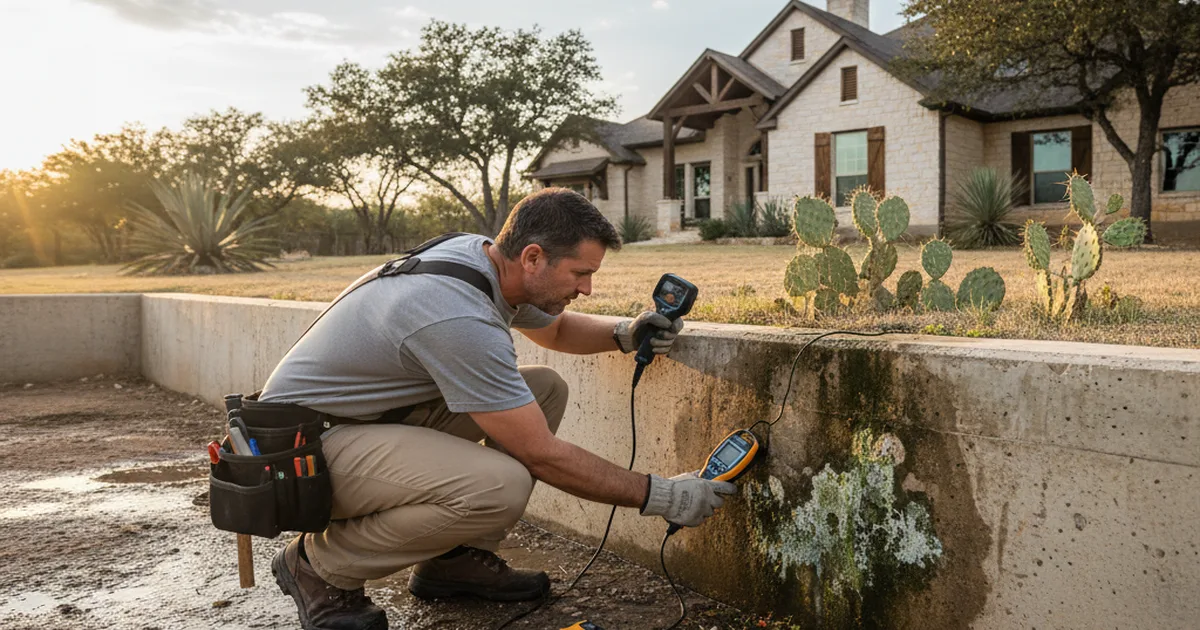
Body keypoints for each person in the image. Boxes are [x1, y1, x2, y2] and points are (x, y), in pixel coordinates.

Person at [260, 188, 735, 630]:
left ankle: (453, 561)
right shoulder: (457, 317)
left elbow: (553, 329)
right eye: (581, 273)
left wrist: (624, 333)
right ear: (533, 257)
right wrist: (664, 496)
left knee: (543, 388)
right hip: (301, 456)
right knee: (499, 484)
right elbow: (540, 455)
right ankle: (317, 565)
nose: (587, 288)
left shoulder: (483, 258)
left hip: (359, 422)